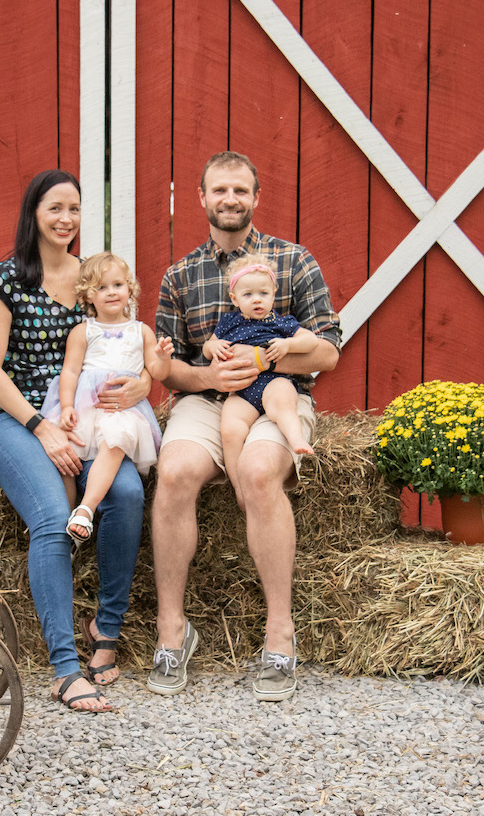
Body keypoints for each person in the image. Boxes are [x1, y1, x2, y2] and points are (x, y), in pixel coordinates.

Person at [148, 151, 341, 702]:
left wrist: (263, 363)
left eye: (240, 190)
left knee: (259, 472)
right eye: (218, 190)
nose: (229, 199)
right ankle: (172, 634)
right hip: (209, 400)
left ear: (256, 198)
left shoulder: (293, 261)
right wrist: (208, 371)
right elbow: (169, 367)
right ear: (201, 199)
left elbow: (327, 353)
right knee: (177, 470)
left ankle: (279, 636)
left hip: (277, 393)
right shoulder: (180, 274)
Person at [0, 170, 149, 712]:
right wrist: (40, 426)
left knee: (127, 494)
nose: (65, 219)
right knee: (52, 517)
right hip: (16, 416)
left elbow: (126, 345)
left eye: (74, 208)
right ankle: (65, 669)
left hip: (88, 417)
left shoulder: (89, 279)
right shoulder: (8, 280)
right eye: (55, 208)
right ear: (33, 212)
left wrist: (144, 383)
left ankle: (107, 630)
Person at [41, 252, 174, 556]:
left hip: (122, 409)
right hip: (87, 408)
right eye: (101, 287)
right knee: (67, 460)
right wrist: (66, 407)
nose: (111, 292)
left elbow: (158, 372)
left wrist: (163, 358)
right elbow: (71, 372)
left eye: (118, 284)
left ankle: (86, 510)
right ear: (88, 295)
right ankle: (69, 525)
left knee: (115, 443)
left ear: (130, 289)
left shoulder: (141, 330)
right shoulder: (82, 331)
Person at [202, 254, 318, 488]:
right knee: (230, 429)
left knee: (282, 406)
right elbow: (207, 348)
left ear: (273, 293)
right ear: (234, 299)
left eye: (263, 294)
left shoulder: (281, 323)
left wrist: (288, 344)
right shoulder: (228, 322)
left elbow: (311, 341)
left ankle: (296, 439)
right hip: (241, 391)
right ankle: (238, 488)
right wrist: (212, 346)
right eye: (248, 295)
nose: (257, 300)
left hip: (274, 382)